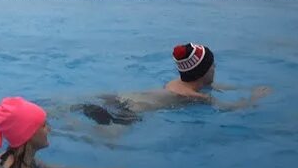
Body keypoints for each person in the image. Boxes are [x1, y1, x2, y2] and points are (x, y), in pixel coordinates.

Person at [73, 43, 272, 128]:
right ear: (205, 71)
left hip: (119, 98)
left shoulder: (175, 84)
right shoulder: (198, 98)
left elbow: (209, 84)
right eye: (213, 65)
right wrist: (255, 98)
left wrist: (241, 88)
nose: (216, 67)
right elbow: (233, 109)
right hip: (126, 114)